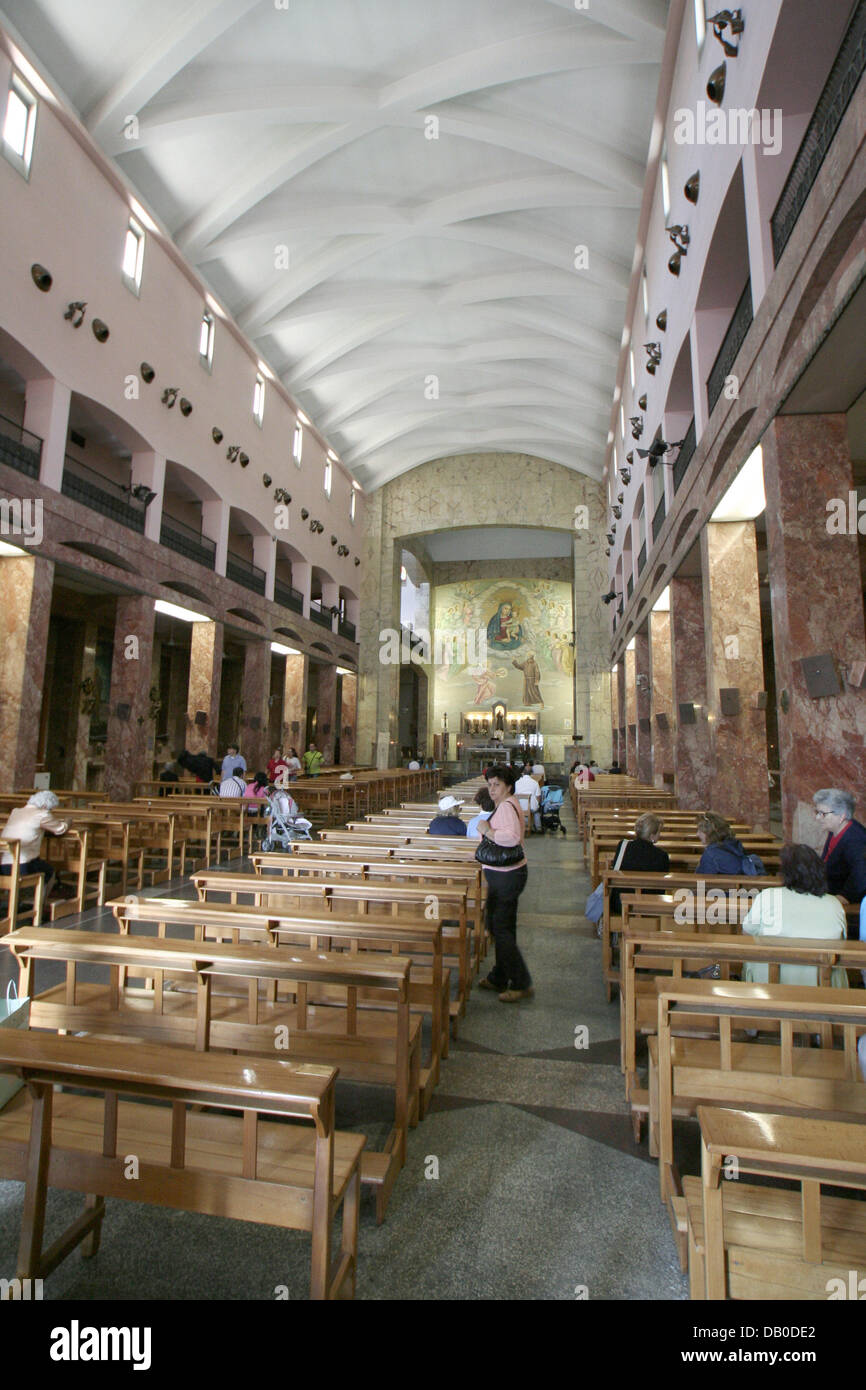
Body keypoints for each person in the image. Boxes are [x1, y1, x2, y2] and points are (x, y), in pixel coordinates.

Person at [740, 844, 847, 987]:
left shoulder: (768, 896)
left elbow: (747, 934)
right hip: (822, 983)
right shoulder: (834, 904)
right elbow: (841, 941)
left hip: (769, 982)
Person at [477, 764, 532, 1002]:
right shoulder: (505, 803)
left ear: (508, 786)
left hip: (508, 875)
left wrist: (487, 831)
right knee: (498, 925)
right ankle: (499, 976)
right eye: (489, 784)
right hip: (502, 874)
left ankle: (521, 983)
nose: (492, 789)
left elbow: (511, 838)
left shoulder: (507, 806)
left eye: (497, 785)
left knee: (501, 929)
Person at [0, 791, 70, 901]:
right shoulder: (42, 814)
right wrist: (68, 822)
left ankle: (14, 902)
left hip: (3, 864)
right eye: (50, 809)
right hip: (22, 866)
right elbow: (60, 829)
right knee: (50, 872)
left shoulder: (16, 811)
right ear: (44, 806)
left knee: (39, 864)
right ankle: (39, 907)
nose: (50, 812)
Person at [812, 789, 866, 917]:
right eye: (817, 812)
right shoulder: (834, 829)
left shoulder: (855, 838)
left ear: (841, 816)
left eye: (823, 814)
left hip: (850, 902)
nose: (817, 817)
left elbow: (861, 875)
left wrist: (843, 897)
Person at [609, 814, 671, 916]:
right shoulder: (661, 856)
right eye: (659, 832)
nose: (660, 834)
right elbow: (661, 888)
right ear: (652, 836)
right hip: (649, 906)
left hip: (620, 904)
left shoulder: (623, 846)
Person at [695, 813, 763, 875]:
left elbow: (701, 883)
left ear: (709, 832)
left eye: (700, 831)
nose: (697, 834)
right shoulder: (735, 844)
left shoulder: (711, 854)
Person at [515, 766, 542, 832]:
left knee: (523, 810)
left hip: (520, 807)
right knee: (536, 811)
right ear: (531, 774)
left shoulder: (517, 783)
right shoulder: (535, 783)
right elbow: (538, 796)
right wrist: (537, 804)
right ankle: (538, 827)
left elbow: (515, 795)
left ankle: (524, 825)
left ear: (522, 773)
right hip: (532, 807)